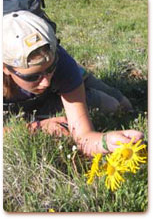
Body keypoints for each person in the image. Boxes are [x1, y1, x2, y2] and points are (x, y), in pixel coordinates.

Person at [3, 11, 143, 157]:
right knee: (110, 105)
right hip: (28, 100)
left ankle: (79, 81)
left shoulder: (62, 62)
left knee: (122, 105)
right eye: (33, 76)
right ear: (5, 68)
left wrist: (106, 142)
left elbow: (84, 137)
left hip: (64, 79)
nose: (45, 82)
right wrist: (36, 127)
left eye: (51, 69)